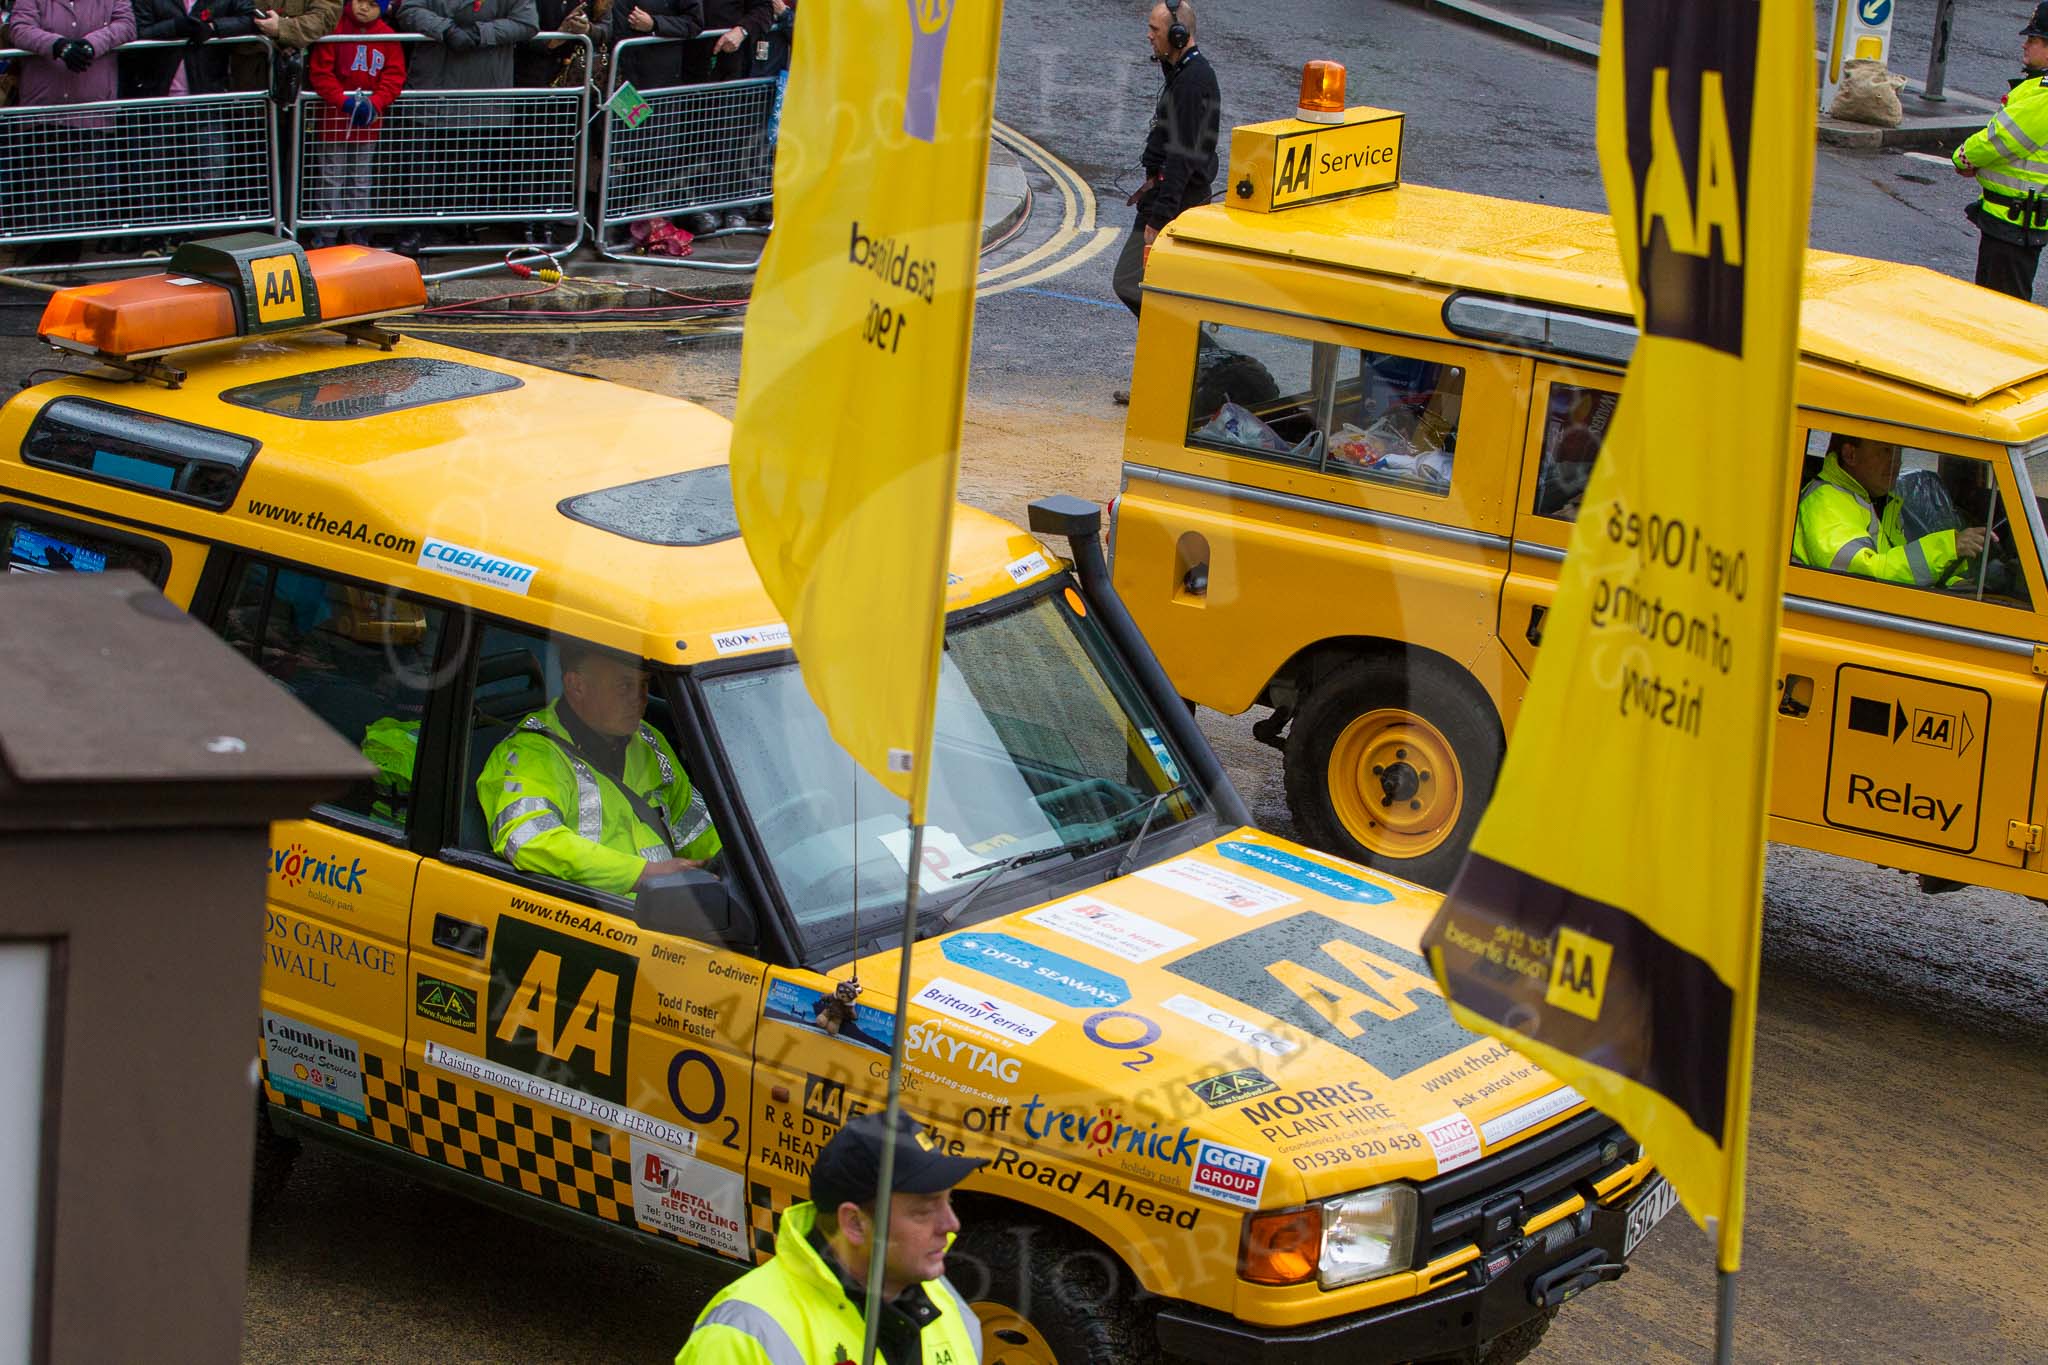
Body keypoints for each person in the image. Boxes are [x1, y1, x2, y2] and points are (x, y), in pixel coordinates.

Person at [675, 1112, 984, 1365]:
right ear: (854, 1224)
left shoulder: (951, 1307)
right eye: (923, 1211)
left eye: (949, 1202)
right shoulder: (745, 1334)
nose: (951, 1223)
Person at [478, 642, 720, 896]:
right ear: (577, 686)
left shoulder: (648, 741)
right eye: (625, 686)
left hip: (666, 914)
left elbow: (698, 829)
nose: (640, 699)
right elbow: (528, 840)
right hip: (590, 921)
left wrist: (729, 863)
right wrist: (642, 874)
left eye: (644, 684)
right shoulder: (529, 755)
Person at [391, 0, 538, 254]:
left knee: (466, 164)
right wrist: (446, 30)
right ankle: (417, 226)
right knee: (419, 164)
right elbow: (409, 9)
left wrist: (481, 33)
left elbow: (527, 22)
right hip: (433, 85)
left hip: (480, 89)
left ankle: (460, 224)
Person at [1111, 0, 1218, 327]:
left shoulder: (1191, 82)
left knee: (1129, 282)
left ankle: (1191, 351)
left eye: (1155, 30)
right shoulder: (1183, 73)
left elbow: (1182, 156)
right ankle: (1177, 352)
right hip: (1166, 198)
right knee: (1157, 288)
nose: (1148, 36)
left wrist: (1159, 221)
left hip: (1173, 203)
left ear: (1178, 34)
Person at [1793, 434, 1988, 586]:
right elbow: (1866, 577)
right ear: (1850, 455)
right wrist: (1948, 548)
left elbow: (1902, 569)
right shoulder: (1826, 503)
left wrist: (1955, 584)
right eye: (1885, 451)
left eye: (1898, 452)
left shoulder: (1876, 501)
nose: (1896, 462)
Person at [1952, 2, 2048, 300]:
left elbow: (1999, 140)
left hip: (2014, 222)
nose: (2025, 44)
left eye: (2033, 39)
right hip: (2013, 221)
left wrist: (1963, 157)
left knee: (1999, 314)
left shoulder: (2043, 95)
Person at [303, 0, 404, 247]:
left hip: (368, 119)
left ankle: (356, 228)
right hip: (334, 118)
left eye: (372, 4)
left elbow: (394, 75)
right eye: (360, 1)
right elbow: (321, 73)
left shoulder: (387, 36)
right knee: (331, 176)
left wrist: (376, 103)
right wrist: (342, 101)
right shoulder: (335, 29)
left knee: (360, 177)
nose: (364, 8)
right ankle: (326, 230)